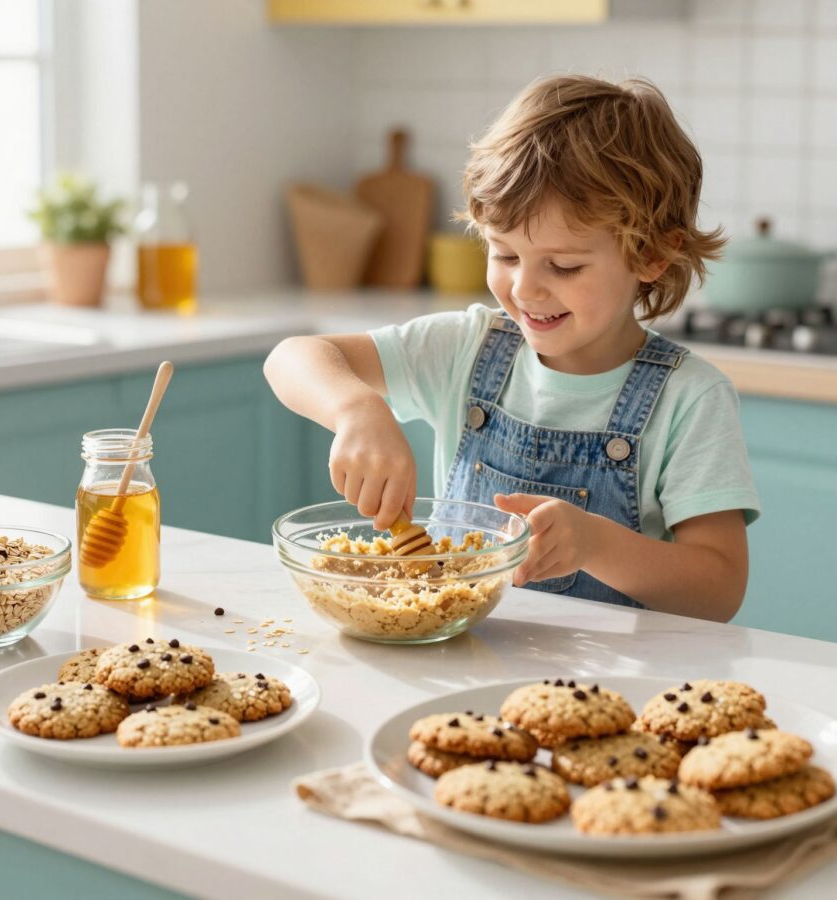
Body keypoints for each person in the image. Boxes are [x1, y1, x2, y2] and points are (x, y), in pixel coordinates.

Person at [265, 74, 760, 622]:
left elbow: (719, 589)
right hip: (461, 662)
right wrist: (356, 410)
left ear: (651, 256)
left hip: (615, 684)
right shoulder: (465, 348)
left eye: (565, 265)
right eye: (504, 255)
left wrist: (594, 544)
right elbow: (291, 357)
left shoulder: (690, 398)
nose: (525, 289)